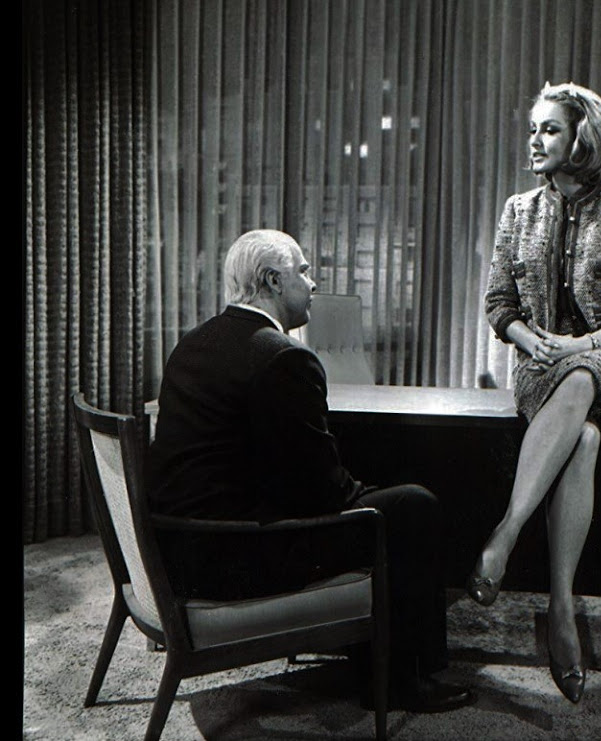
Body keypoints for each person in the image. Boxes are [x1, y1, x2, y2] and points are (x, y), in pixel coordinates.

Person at [147, 229, 474, 713]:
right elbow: (322, 493)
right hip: (236, 559)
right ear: (273, 281)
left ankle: (370, 653)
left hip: (183, 552)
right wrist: (365, 494)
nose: (313, 282)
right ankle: (399, 682)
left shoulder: (193, 344)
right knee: (412, 507)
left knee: (381, 497)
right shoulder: (283, 357)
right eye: (303, 270)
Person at [466, 82, 601, 704]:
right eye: (534, 128)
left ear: (582, 137)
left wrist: (583, 345)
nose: (535, 139)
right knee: (587, 437)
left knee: (584, 377)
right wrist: (531, 339)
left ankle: (506, 532)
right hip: (538, 363)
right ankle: (562, 608)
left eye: (549, 129)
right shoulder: (518, 210)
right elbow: (499, 303)